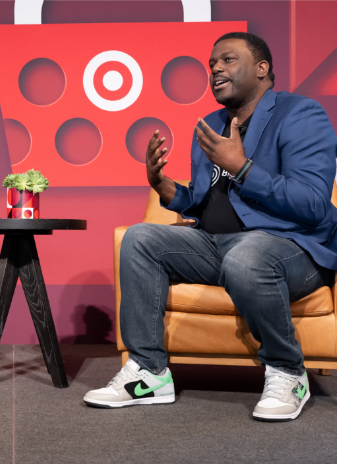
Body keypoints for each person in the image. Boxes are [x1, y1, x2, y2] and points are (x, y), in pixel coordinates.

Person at [84, 32, 337, 421]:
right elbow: (205, 203)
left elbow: (313, 203)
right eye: (211, 63)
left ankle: (288, 372)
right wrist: (167, 189)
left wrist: (242, 168)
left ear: (262, 69)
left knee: (248, 256)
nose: (215, 68)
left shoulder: (300, 114)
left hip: (291, 248)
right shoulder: (212, 126)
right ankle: (149, 373)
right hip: (219, 244)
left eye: (228, 59)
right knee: (139, 238)